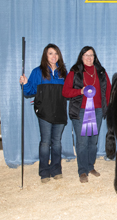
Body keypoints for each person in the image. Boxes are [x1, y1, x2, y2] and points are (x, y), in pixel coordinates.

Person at [19, 43, 67, 183]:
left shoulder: (64, 72)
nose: (54, 56)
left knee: (57, 142)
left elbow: (69, 91)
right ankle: (44, 172)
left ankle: (56, 170)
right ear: (45, 55)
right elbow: (29, 92)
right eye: (50, 53)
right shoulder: (37, 71)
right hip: (44, 112)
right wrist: (25, 83)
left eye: (56, 53)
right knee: (45, 142)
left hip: (59, 111)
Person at [62, 46, 111, 183]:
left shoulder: (101, 71)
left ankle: (90, 166)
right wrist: (80, 91)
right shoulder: (75, 71)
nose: (89, 58)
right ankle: (82, 171)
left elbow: (108, 90)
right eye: (86, 55)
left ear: (95, 57)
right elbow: (65, 92)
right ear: (81, 57)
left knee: (93, 142)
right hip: (81, 111)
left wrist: (108, 107)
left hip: (98, 110)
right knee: (82, 142)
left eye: (92, 55)